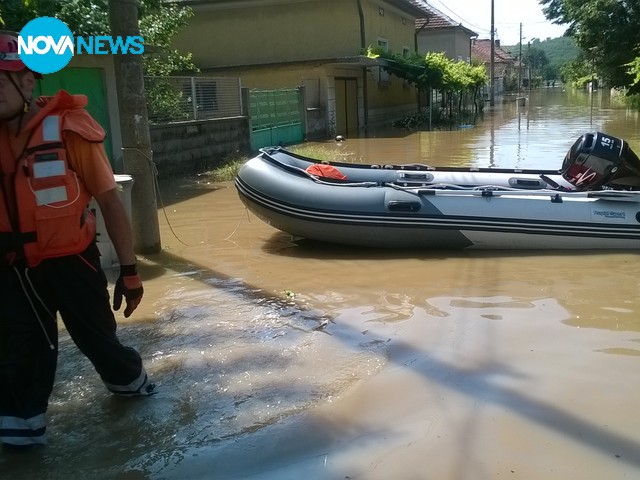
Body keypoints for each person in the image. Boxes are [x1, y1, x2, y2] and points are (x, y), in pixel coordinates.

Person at [0, 31, 154, 450]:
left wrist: (129, 271)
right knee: (20, 357)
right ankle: (22, 451)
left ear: (27, 82)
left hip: (73, 262)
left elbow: (109, 200)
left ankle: (138, 400)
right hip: (13, 268)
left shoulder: (68, 131)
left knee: (98, 343)